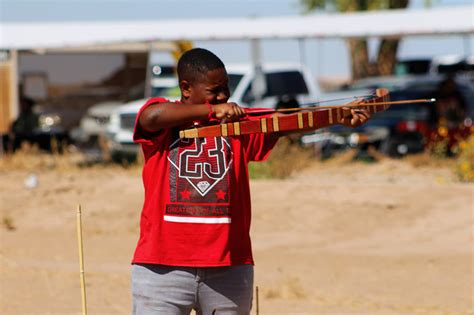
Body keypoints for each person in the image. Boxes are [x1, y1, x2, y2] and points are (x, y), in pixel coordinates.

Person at [131, 48, 371, 315]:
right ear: (186, 88)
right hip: (162, 266)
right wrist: (212, 110)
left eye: (226, 88)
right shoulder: (165, 122)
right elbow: (150, 118)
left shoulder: (238, 121)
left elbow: (283, 122)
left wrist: (336, 115)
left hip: (229, 264)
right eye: (214, 90)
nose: (223, 96)